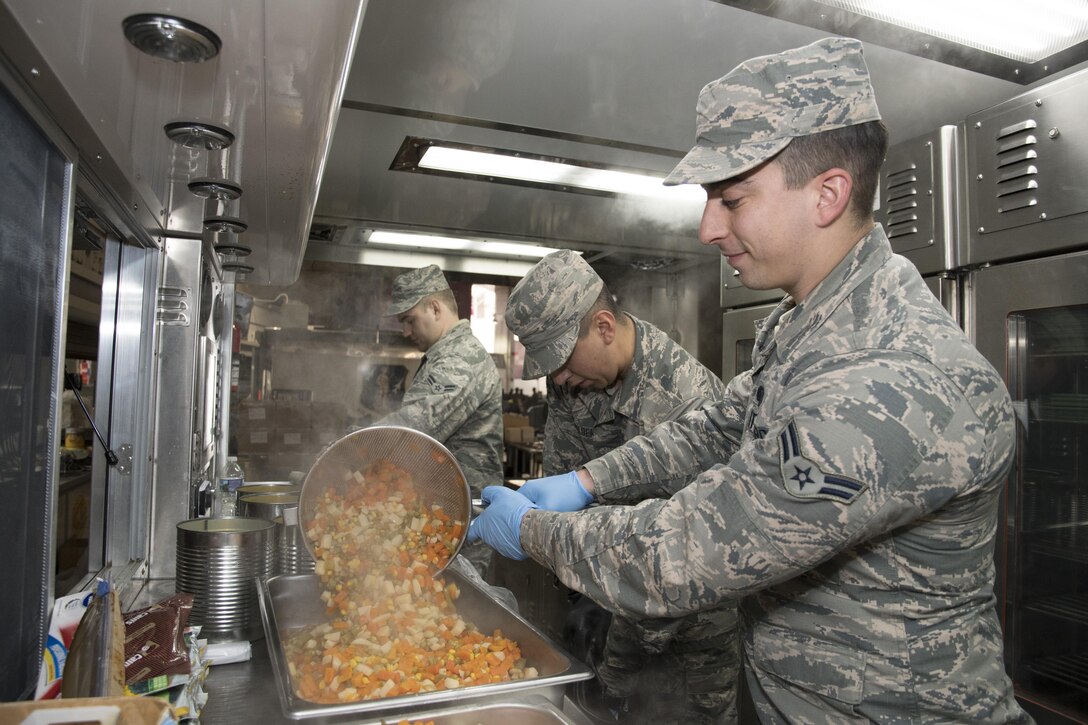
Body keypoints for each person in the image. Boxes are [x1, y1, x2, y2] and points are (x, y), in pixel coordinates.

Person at [470, 37, 1031, 723]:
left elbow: (683, 552)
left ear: (827, 194)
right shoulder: (803, 327)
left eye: (732, 198)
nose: (708, 226)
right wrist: (587, 482)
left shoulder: (886, 379)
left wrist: (532, 531)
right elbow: (712, 427)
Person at [506, 248, 740, 724]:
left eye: (562, 360)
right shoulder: (573, 380)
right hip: (607, 598)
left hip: (687, 637)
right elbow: (567, 469)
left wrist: (616, 660)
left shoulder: (686, 402)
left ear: (605, 328)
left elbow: (683, 558)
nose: (559, 377)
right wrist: (573, 585)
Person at [376, 264, 503, 577]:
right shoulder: (444, 356)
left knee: (452, 611)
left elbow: (411, 429)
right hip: (441, 513)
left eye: (409, 319)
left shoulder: (461, 359)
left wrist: (345, 446)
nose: (406, 331)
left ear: (434, 307)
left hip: (460, 521)